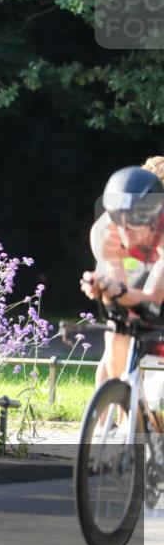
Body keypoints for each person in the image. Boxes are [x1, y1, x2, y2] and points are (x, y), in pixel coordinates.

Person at [81, 159, 164, 391]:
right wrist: (105, 288)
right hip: (136, 266)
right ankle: (107, 421)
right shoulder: (105, 230)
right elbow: (118, 289)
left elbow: (154, 297)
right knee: (117, 329)